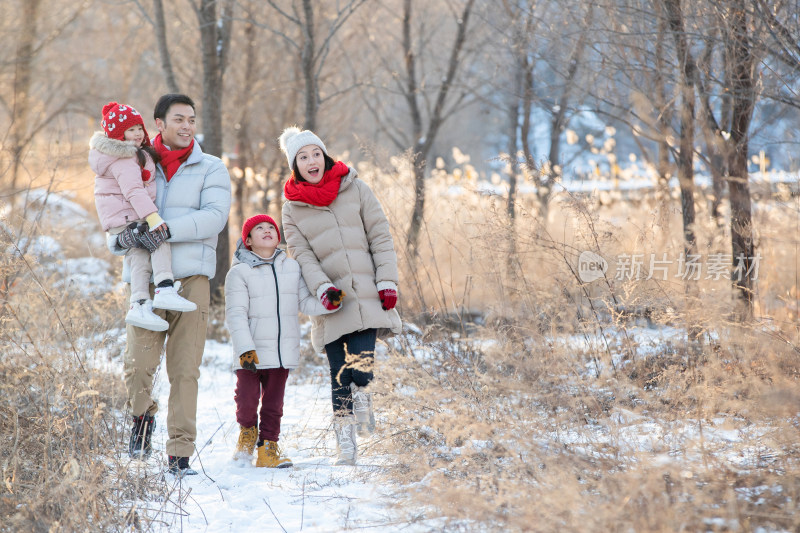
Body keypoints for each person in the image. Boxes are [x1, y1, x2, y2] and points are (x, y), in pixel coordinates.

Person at [108, 94, 231, 477]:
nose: (187, 126)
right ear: (158, 124)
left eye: (191, 119)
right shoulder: (134, 162)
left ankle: (179, 453)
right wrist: (122, 239)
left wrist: (159, 231)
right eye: (179, 119)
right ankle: (142, 421)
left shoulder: (211, 168)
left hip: (191, 280)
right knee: (137, 365)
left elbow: (214, 217)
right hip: (144, 284)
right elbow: (113, 211)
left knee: (184, 370)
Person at [279, 126, 402, 466]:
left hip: (365, 294)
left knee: (360, 369)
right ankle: (345, 445)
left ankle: (364, 397)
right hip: (330, 300)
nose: (311, 161)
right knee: (338, 374)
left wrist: (387, 281)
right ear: (295, 166)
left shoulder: (355, 187)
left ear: (324, 154)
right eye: (302, 157)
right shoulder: (292, 209)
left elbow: (381, 234)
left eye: (315, 153)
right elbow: (300, 254)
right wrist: (321, 288)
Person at [225, 214, 336, 468]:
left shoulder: (291, 267)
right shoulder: (238, 273)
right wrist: (245, 348)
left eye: (271, 228)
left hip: (281, 351)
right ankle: (247, 432)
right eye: (259, 228)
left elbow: (304, 302)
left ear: (278, 237)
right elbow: (235, 313)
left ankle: (268, 449)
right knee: (246, 400)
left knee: (274, 405)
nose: (267, 230)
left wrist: (329, 304)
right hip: (250, 352)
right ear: (248, 241)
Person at [90, 102, 197, 332]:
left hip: (119, 223)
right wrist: (153, 217)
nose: (138, 133)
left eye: (140, 128)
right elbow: (134, 191)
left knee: (138, 254)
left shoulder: (112, 156)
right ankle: (165, 288)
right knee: (158, 239)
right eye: (131, 130)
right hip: (130, 219)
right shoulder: (125, 158)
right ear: (119, 135)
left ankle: (138, 304)